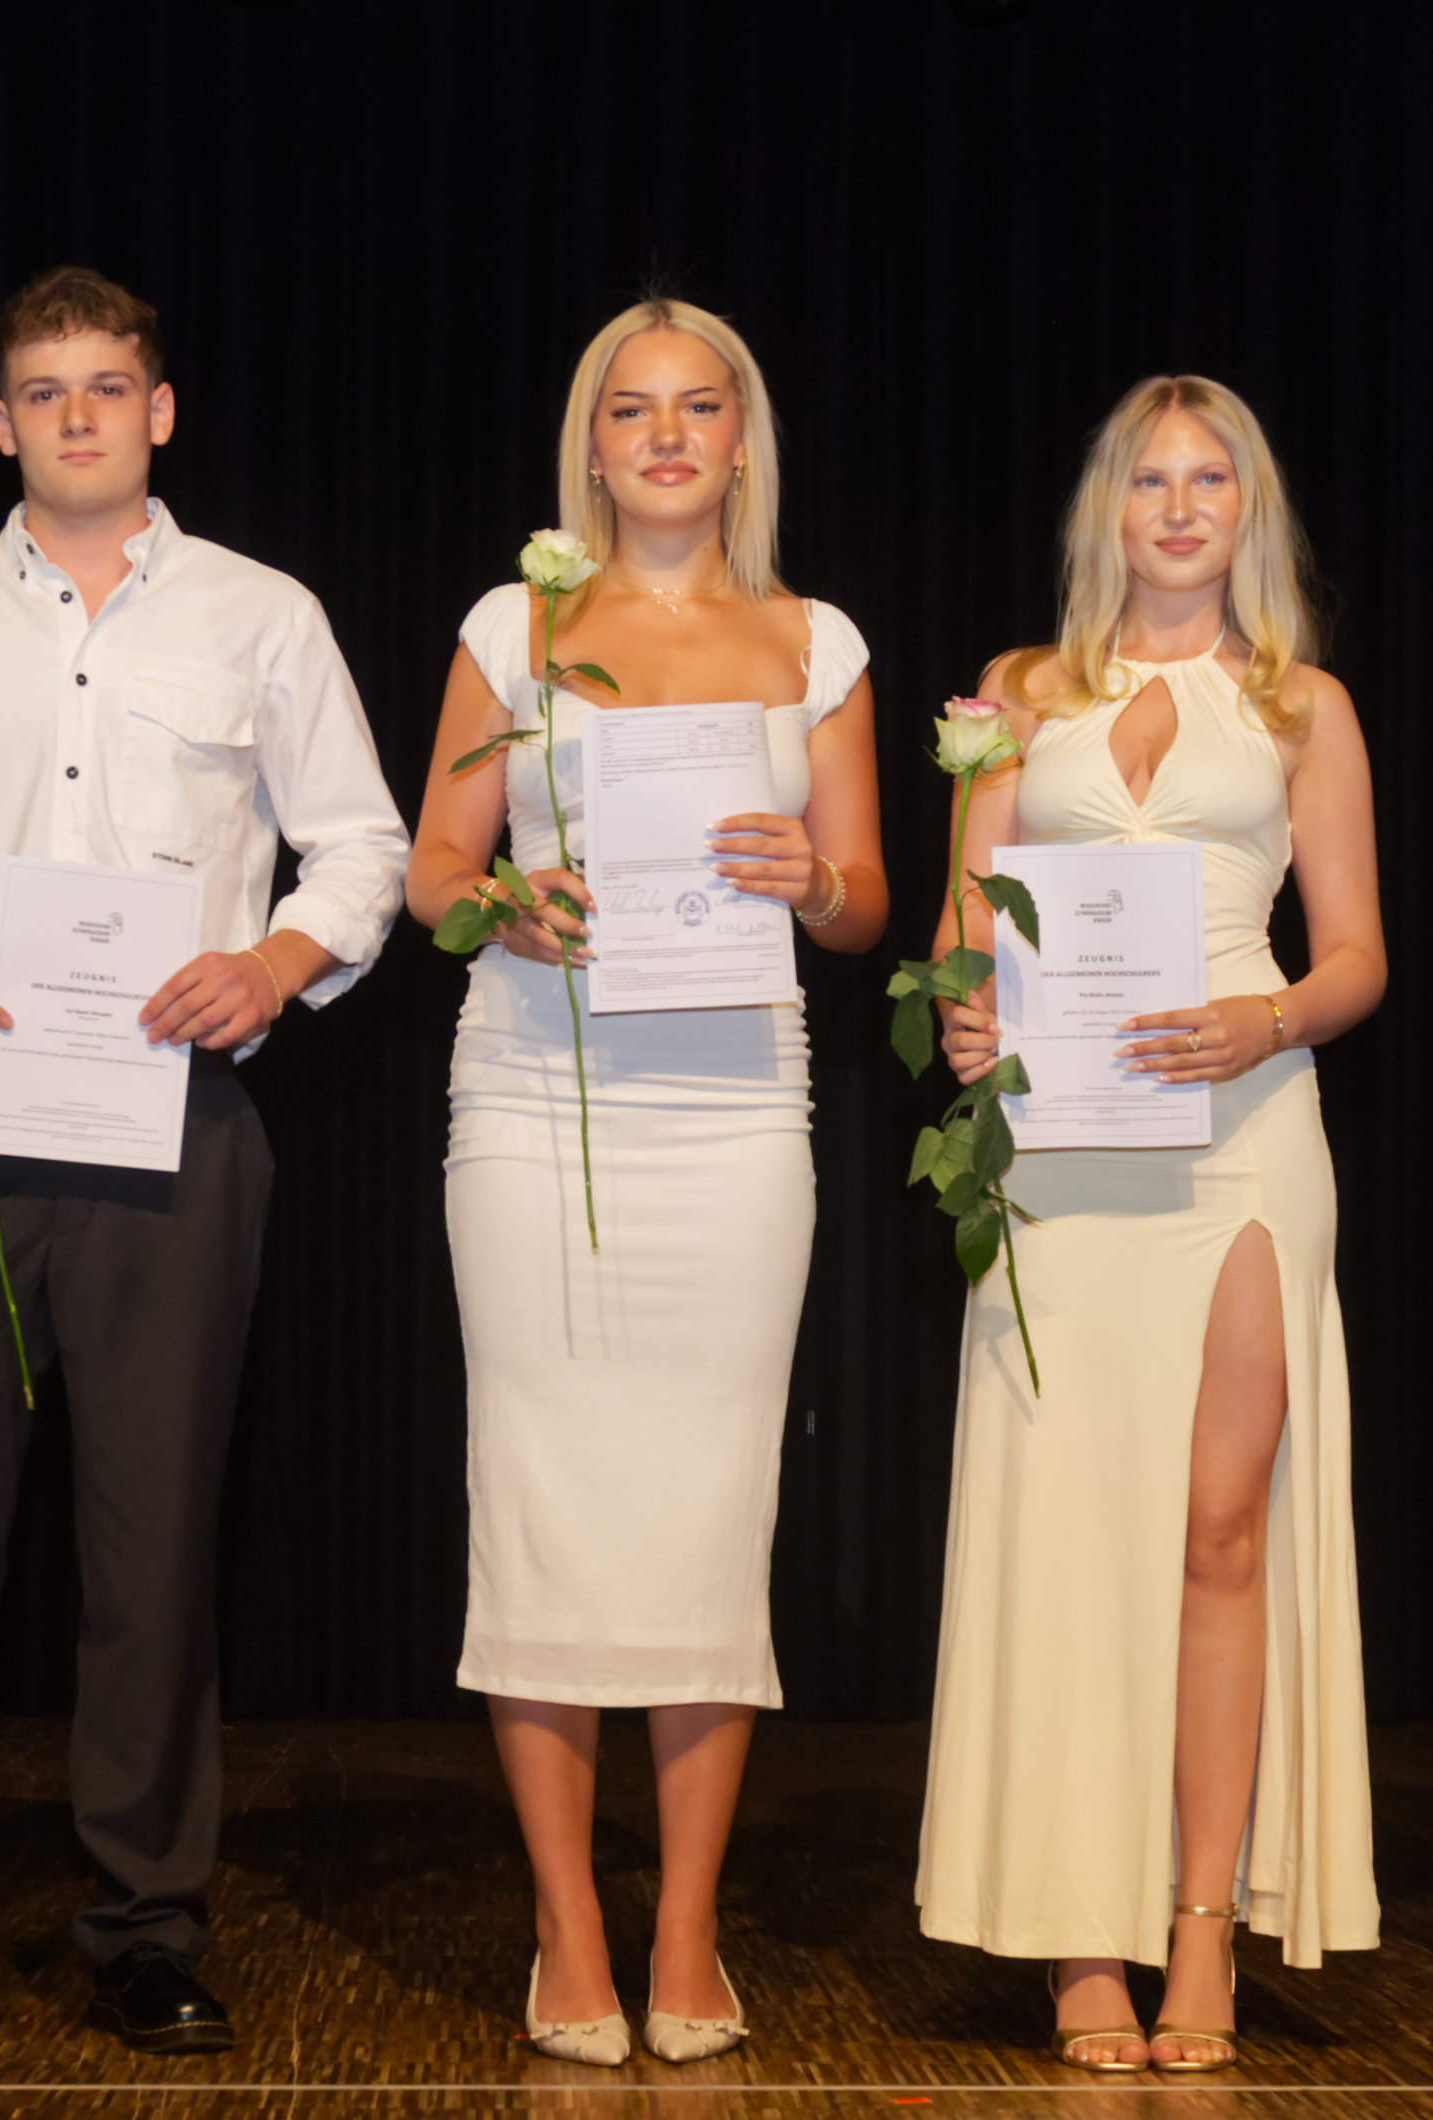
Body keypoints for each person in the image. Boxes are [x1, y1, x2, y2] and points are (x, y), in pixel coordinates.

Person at [0, 266, 408, 2063]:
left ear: (162, 410)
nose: (79, 415)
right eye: (45, 391)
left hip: (176, 1119)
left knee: (153, 1552)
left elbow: (362, 845)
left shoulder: (262, 614)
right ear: (1, 424)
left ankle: (146, 1925)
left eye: (109, 385)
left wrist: (275, 964)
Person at [407, 297, 886, 2066]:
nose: (667, 436)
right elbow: (431, 869)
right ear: (591, 447)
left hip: (738, 1113)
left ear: (742, 439)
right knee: (540, 1494)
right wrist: (499, 904)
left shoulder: (816, 641)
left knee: (708, 1508)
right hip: (536, 1100)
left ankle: (687, 1927)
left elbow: (865, 904)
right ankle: (568, 1924)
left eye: (700, 407)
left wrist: (809, 879)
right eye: (633, 410)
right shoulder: (512, 625)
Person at [914, 375, 1385, 2072]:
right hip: (1059, 1153)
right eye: (1149, 481)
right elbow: (964, 930)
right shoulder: (1019, 695)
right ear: (1104, 509)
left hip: (1242, 1137)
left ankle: (1200, 1923)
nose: (1180, 510)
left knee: (1219, 1533)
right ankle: (1076, 1936)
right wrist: (968, 1019)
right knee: (1069, 1536)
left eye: (1212, 481)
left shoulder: (1302, 704)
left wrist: (1268, 1019)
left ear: (1251, 511)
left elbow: (1358, 956)